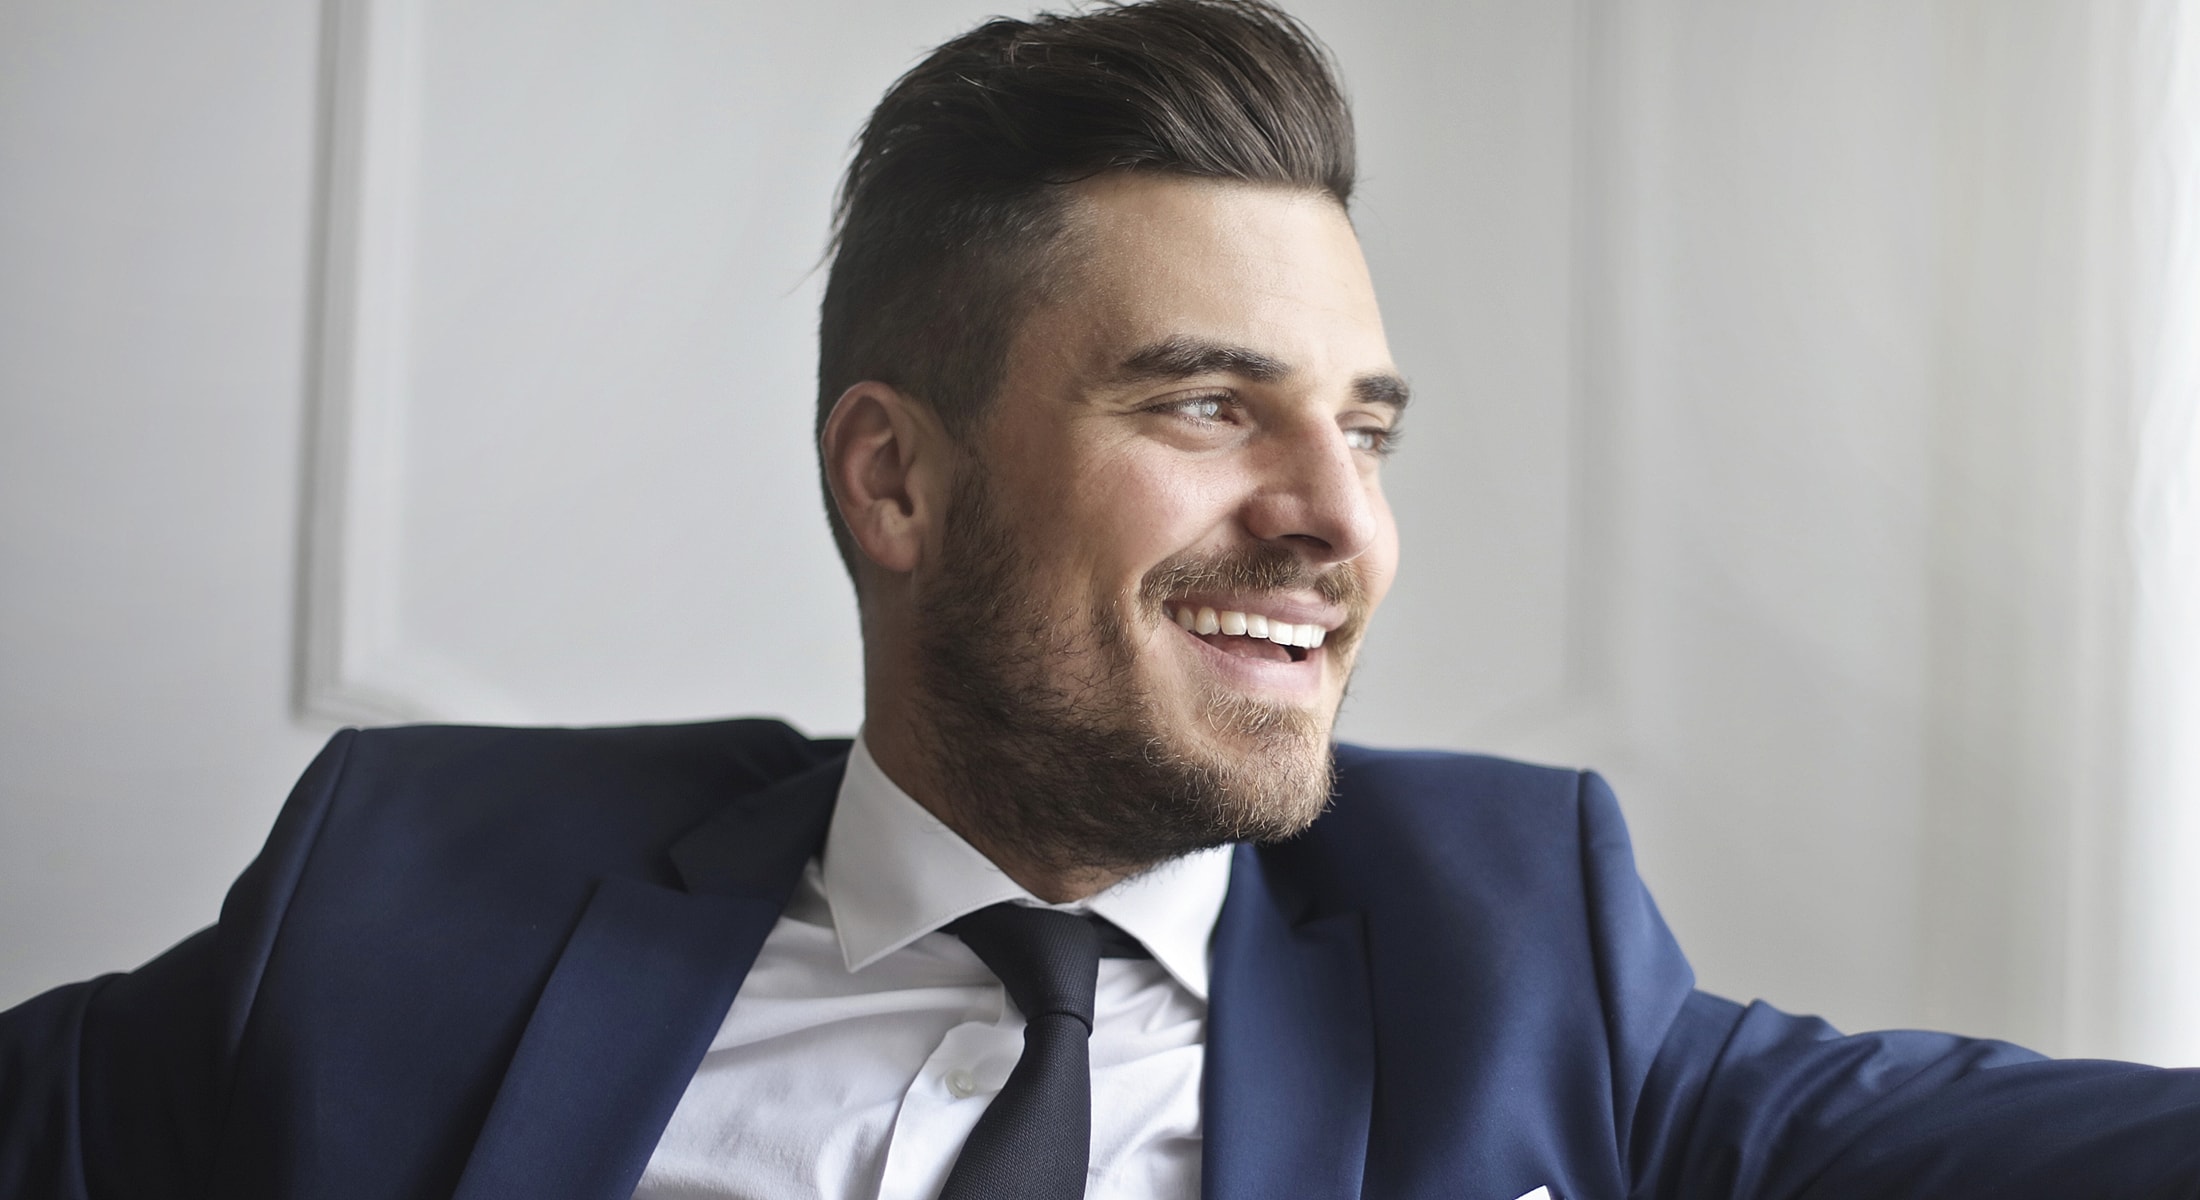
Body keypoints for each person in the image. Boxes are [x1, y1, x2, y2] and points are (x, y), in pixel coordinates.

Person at [3, 1, 2196, 1197]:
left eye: (1369, 426)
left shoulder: (1515, 948)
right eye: (1203, 404)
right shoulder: (416, 893)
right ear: (895, 475)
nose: (1334, 518)